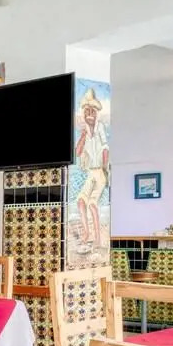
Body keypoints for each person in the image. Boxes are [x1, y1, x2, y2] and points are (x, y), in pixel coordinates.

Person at [75, 88, 108, 247]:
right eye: (86, 111)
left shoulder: (100, 128)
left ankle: (98, 239)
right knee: (81, 201)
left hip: (100, 172)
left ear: (96, 113)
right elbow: (78, 152)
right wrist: (82, 136)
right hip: (90, 173)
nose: (89, 114)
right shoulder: (85, 132)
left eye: (92, 111)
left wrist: (105, 170)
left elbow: (105, 148)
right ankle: (87, 233)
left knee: (92, 204)